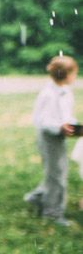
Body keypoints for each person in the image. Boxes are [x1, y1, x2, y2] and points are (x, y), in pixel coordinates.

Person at [24, 55, 80, 226]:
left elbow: (65, 115)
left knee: (56, 172)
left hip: (58, 137)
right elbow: (44, 121)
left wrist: (74, 126)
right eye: (74, 73)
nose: (75, 77)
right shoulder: (49, 94)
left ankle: (37, 197)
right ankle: (52, 213)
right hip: (49, 139)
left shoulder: (65, 92)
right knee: (57, 175)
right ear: (66, 74)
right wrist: (59, 127)